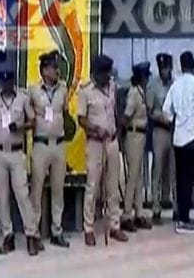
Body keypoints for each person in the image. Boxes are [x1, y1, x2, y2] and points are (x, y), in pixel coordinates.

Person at [0, 66, 39, 255]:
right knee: (2, 197)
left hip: (17, 152)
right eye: (3, 80)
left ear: (13, 81)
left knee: (22, 194)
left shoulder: (22, 98)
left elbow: (33, 121)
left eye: (9, 80)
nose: (6, 84)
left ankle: (31, 234)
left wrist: (21, 126)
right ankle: (8, 235)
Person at [79, 54, 127, 246]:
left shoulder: (113, 86)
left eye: (109, 73)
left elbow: (116, 111)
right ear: (96, 73)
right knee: (92, 186)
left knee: (113, 186)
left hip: (111, 141)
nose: (108, 77)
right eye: (104, 73)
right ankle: (88, 228)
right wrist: (95, 128)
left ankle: (115, 225)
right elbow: (81, 119)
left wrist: (118, 132)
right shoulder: (85, 91)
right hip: (95, 143)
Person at [162, 50, 194, 233]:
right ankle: (184, 220)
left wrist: (173, 120)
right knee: (189, 181)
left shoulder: (175, 86)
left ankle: (181, 216)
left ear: (181, 66)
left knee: (180, 178)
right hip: (193, 139)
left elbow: (166, 111)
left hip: (178, 139)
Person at [30, 50, 70, 249]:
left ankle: (57, 230)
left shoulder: (63, 89)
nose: (57, 71)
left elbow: (65, 112)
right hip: (41, 144)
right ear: (45, 70)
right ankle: (34, 232)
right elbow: (29, 117)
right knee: (36, 190)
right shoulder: (33, 90)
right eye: (53, 67)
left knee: (58, 190)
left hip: (59, 144)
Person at [122, 61, 152, 232]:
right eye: (146, 76)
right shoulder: (134, 93)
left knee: (139, 177)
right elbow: (126, 116)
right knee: (132, 177)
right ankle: (127, 214)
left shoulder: (141, 92)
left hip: (141, 135)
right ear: (141, 77)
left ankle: (138, 213)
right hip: (133, 135)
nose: (147, 79)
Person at [147, 52, 176, 224]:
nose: (164, 71)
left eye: (166, 68)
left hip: (174, 131)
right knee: (157, 169)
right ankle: (156, 208)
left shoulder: (176, 85)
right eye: (161, 68)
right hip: (159, 130)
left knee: (173, 170)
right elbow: (149, 110)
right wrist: (160, 117)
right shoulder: (153, 85)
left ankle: (175, 206)